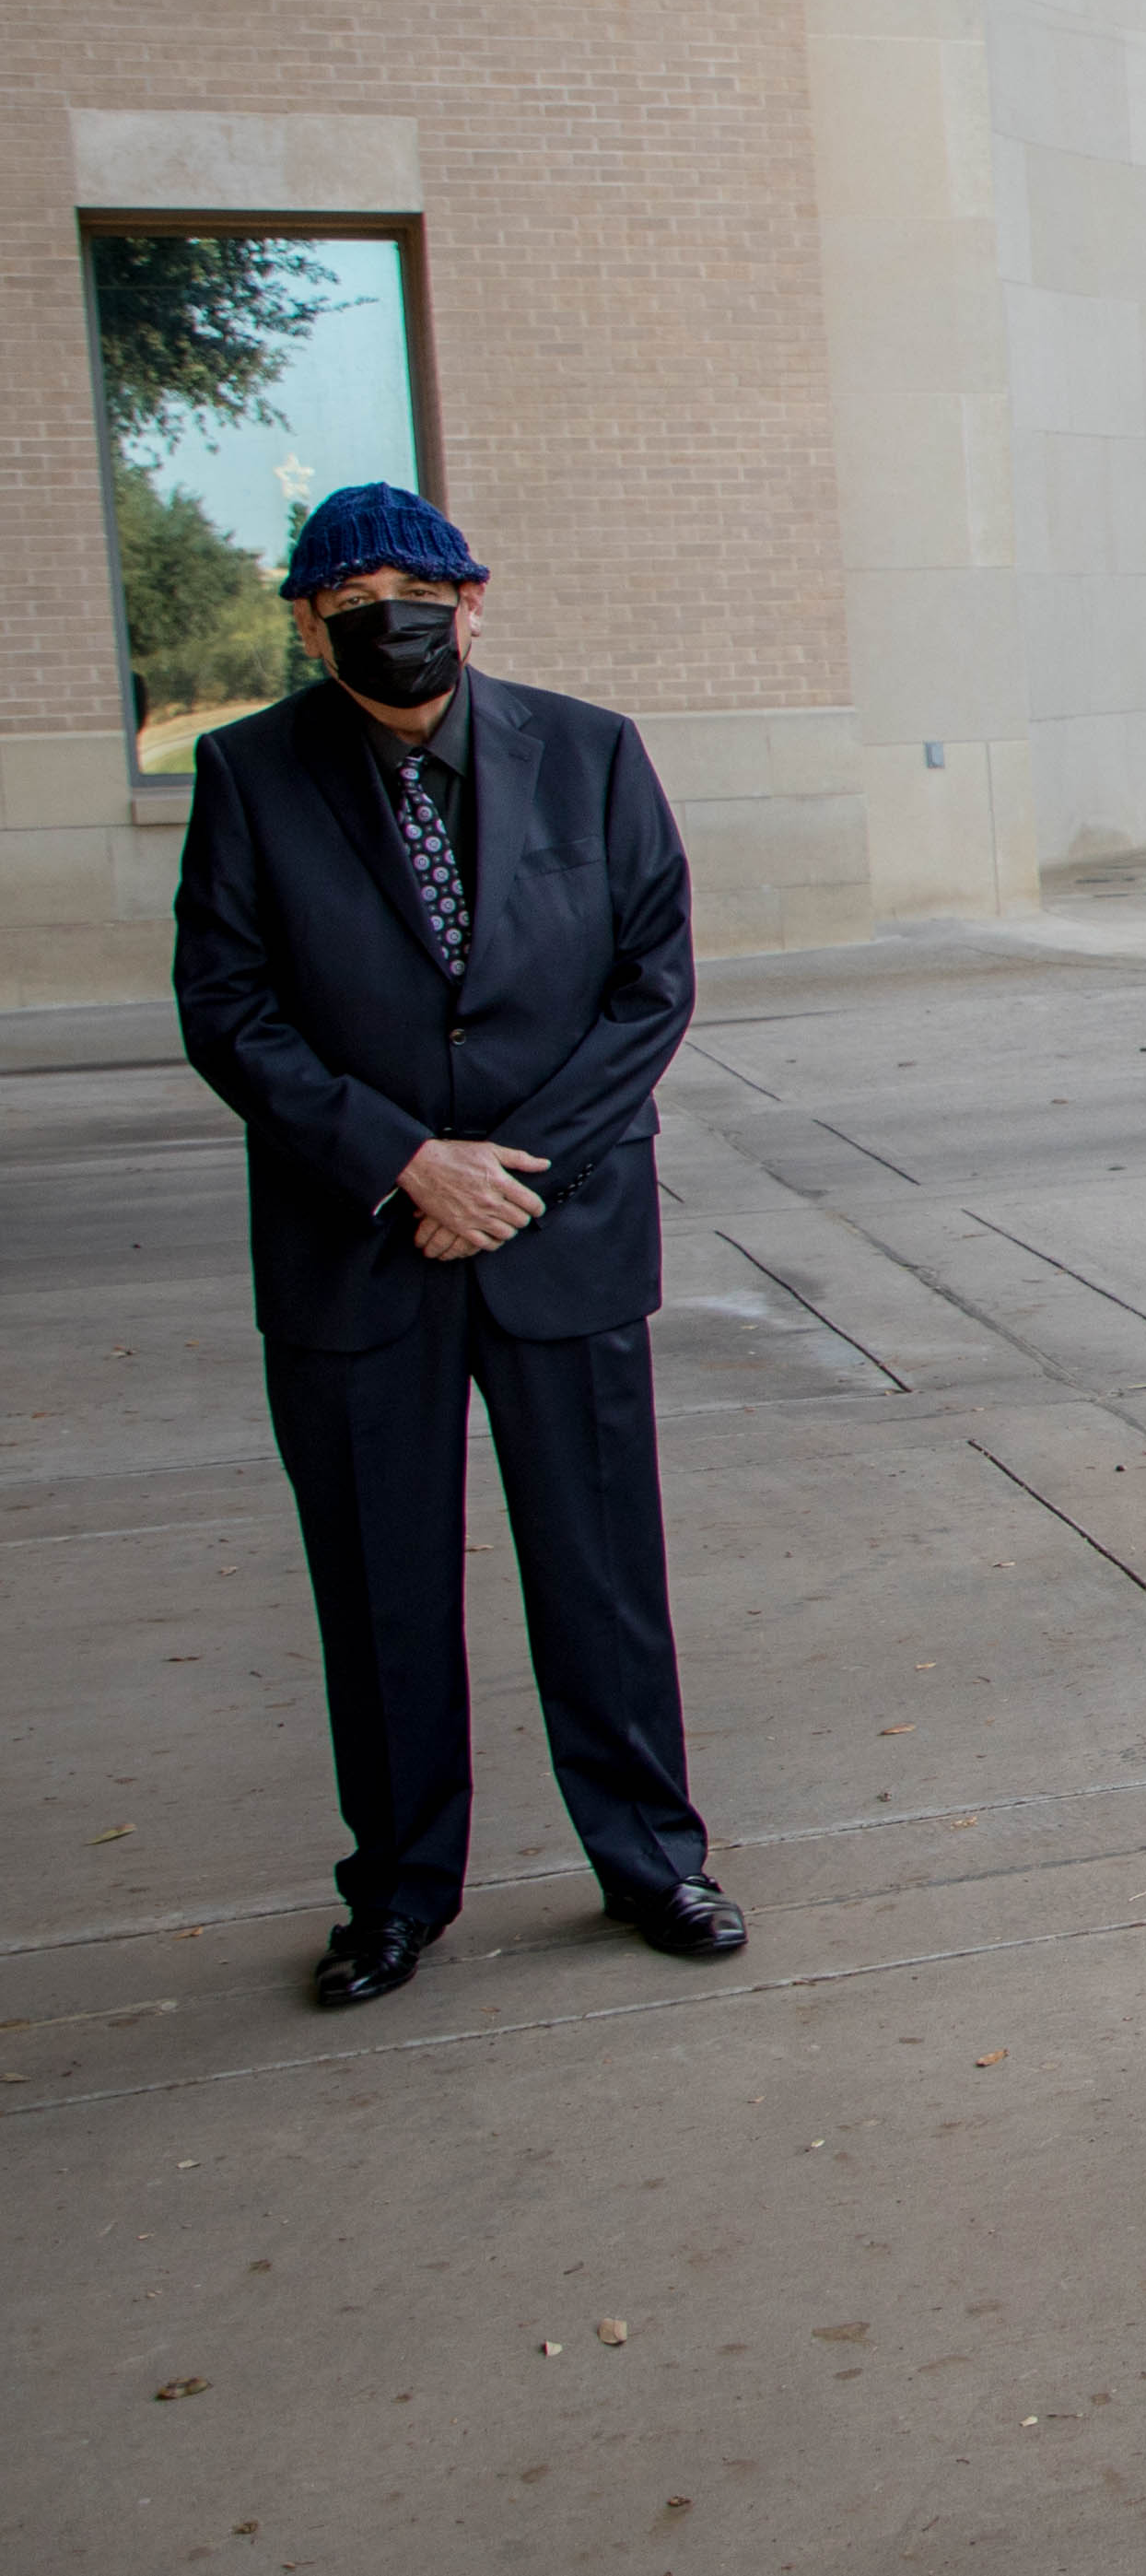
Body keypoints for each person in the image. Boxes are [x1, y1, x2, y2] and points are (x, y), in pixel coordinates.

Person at [170, 484, 736, 2008]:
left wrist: (505, 1172)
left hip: (560, 1232)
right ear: (307, 620)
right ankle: (400, 1888)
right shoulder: (249, 772)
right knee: (381, 1582)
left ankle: (650, 1853)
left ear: (475, 600)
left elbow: (648, 980)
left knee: (601, 1566)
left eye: (419, 584)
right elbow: (227, 1008)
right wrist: (403, 1159)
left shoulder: (594, 751)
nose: (390, 609)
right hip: (355, 1246)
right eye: (350, 590)